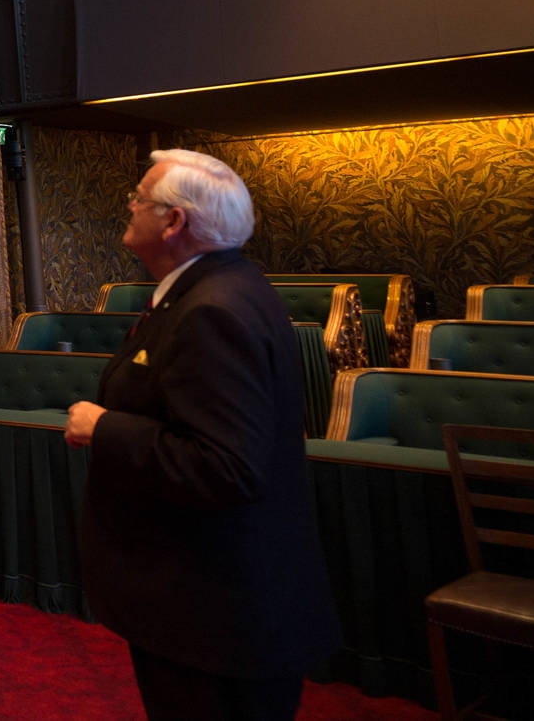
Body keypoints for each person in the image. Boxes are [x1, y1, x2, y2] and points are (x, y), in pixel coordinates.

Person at [63, 148, 338, 720]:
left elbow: (226, 467)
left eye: (140, 197)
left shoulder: (211, 310)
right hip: (212, 603)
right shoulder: (220, 287)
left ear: (175, 221)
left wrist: (104, 427)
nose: (129, 205)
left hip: (215, 610)